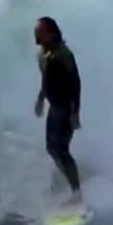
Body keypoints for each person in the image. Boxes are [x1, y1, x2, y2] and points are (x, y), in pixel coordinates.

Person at [33, 16, 83, 206]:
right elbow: (46, 81)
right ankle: (71, 181)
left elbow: (76, 82)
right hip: (54, 108)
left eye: (40, 31)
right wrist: (40, 99)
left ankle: (77, 192)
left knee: (61, 149)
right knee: (51, 148)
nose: (36, 33)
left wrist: (75, 112)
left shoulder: (63, 54)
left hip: (66, 107)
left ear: (51, 34)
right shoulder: (42, 55)